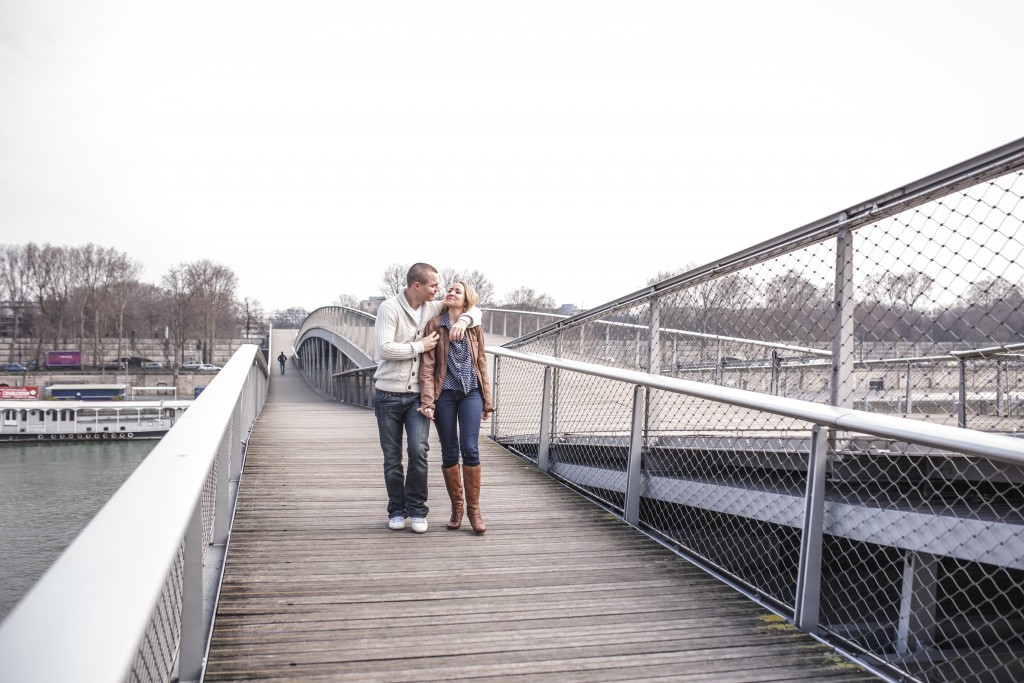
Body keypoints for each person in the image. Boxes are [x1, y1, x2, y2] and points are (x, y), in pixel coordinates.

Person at [373, 263, 482, 534]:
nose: (439, 289)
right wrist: (420, 347)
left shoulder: (433, 308)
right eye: (434, 285)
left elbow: (472, 309)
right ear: (417, 286)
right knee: (392, 457)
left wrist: (467, 320)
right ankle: (397, 510)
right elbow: (384, 349)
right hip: (388, 393)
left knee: (419, 452)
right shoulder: (389, 308)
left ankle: (418, 510)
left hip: (417, 396)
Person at [418, 280, 493, 533]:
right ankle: (457, 508)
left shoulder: (474, 325)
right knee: (450, 451)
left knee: (470, 449)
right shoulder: (435, 325)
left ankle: (474, 511)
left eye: (457, 291)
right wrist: (428, 401)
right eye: (449, 290)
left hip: (471, 393)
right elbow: (427, 367)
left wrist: (487, 401)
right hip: (445, 395)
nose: (451, 293)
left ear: (466, 299)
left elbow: (481, 362)